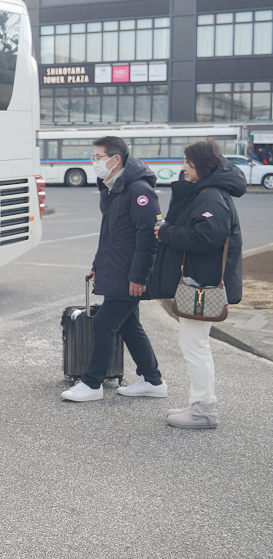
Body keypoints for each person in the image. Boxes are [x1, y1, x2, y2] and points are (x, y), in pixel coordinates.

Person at [61, 136, 166, 402]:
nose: (94, 162)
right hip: (118, 270)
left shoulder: (138, 190)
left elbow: (148, 237)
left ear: (115, 159)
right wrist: (98, 265)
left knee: (105, 324)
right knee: (129, 326)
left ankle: (92, 383)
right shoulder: (115, 188)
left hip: (129, 274)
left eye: (98, 157)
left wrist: (139, 276)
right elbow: (109, 236)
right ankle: (153, 380)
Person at [149, 141, 244, 429]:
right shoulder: (211, 192)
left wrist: (166, 232)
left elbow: (207, 238)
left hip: (202, 284)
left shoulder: (209, 196)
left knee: (195, 344)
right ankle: (200, 405)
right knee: (194, 343)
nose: (183, 168)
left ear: (201, 166)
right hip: (202, 280)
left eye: (188, 163)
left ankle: (204, 410)